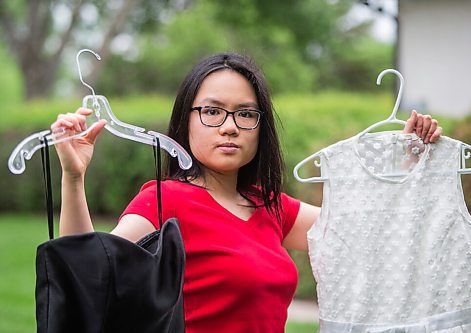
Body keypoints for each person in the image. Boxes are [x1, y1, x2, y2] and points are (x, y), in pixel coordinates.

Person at [51, 53, 443, 332]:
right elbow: (87, 271)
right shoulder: (165, 198)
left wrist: (405, 160)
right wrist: (73, 177)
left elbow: (365, 231)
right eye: (212, 111)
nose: (229, 126)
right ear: (185, 121)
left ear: (260, 128)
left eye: (245, 113)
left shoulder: (272, 207)